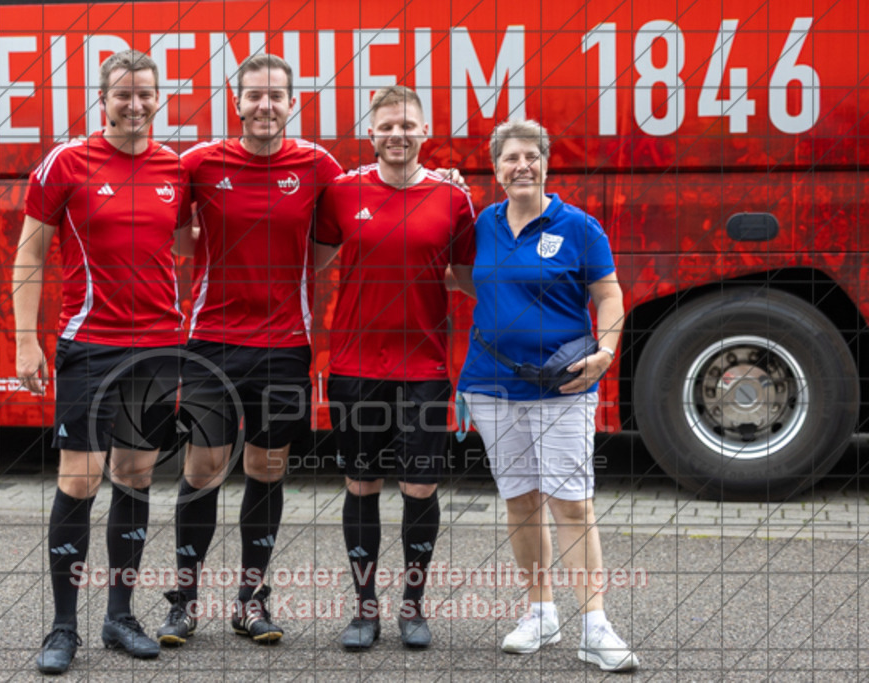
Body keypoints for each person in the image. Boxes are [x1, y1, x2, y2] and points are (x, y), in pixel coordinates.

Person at [156, 53, 343, 646]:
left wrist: (440, 181)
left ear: (293, 104)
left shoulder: (317, 165)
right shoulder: (201, 162)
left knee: (266, 468)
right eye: (253, 96)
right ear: (236, 103)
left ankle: (251, 602)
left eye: (276, 96)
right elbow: (163, 223)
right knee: (205, 468)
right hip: (210, 342)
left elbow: (355, 221)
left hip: (285, 345)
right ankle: (183, 602)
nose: (265, 106)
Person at [13, 49, 189, 674]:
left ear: (158, 97)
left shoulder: (177, 168)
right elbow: (29, 255)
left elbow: (188, 243)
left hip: (159, 349)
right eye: (123, 94)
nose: (135, 104)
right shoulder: (68, 161)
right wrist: (25, 338)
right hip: (90, 344)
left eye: (145, 94)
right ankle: (63, 628)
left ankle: (120, 616)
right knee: (80, 481)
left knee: (137, 476)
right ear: (104, 98)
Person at [454, 119, 639, 672]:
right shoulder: (482, 224)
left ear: (546, 163)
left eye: (531, 156)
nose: (522, 166)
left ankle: (596, 627)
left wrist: (606, 352)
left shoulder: (579, 227)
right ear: (496, 168)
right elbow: (464, 277)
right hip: (490, 386)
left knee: (572, 502)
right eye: (511, 158)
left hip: (563, 387)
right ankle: (540, 613)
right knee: (521, 499)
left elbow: (609, 295)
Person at [314, 86, 475, 650]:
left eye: (407, 125)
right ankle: (364, 609)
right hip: (355, 367)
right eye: (386, 126)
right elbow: (308, 264)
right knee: (361, 485)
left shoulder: (453, 198)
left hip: (425, 369)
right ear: (371, 132)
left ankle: (412, 607)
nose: (397, 135)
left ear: (424, 131)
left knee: (420, 487)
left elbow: (470, 276)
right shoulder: (340, 192)